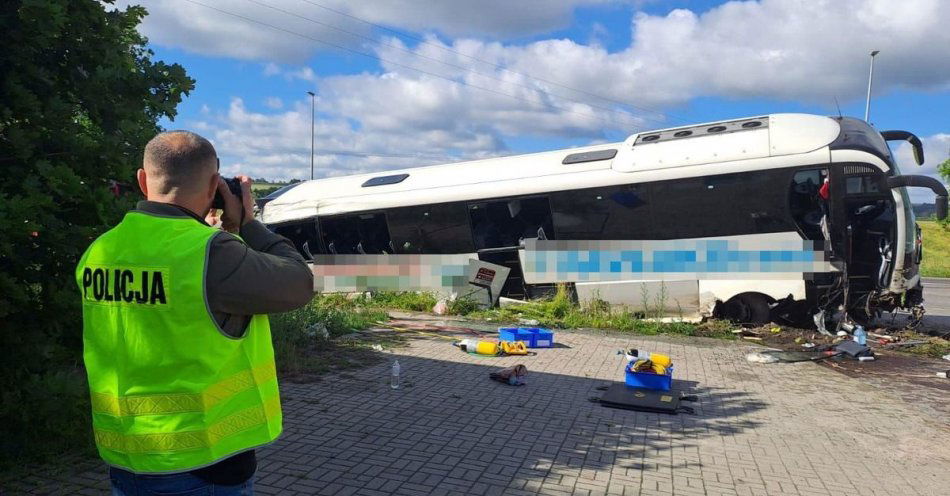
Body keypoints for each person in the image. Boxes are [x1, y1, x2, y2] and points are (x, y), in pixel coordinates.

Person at [76, 131, 314, 495]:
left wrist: (231, 231)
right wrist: (248, 224)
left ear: (143, 180)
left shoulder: (101, 250)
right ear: (215, 185)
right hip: (203, 464)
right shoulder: (210, 253)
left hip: (126, 456)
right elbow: (298, 283)